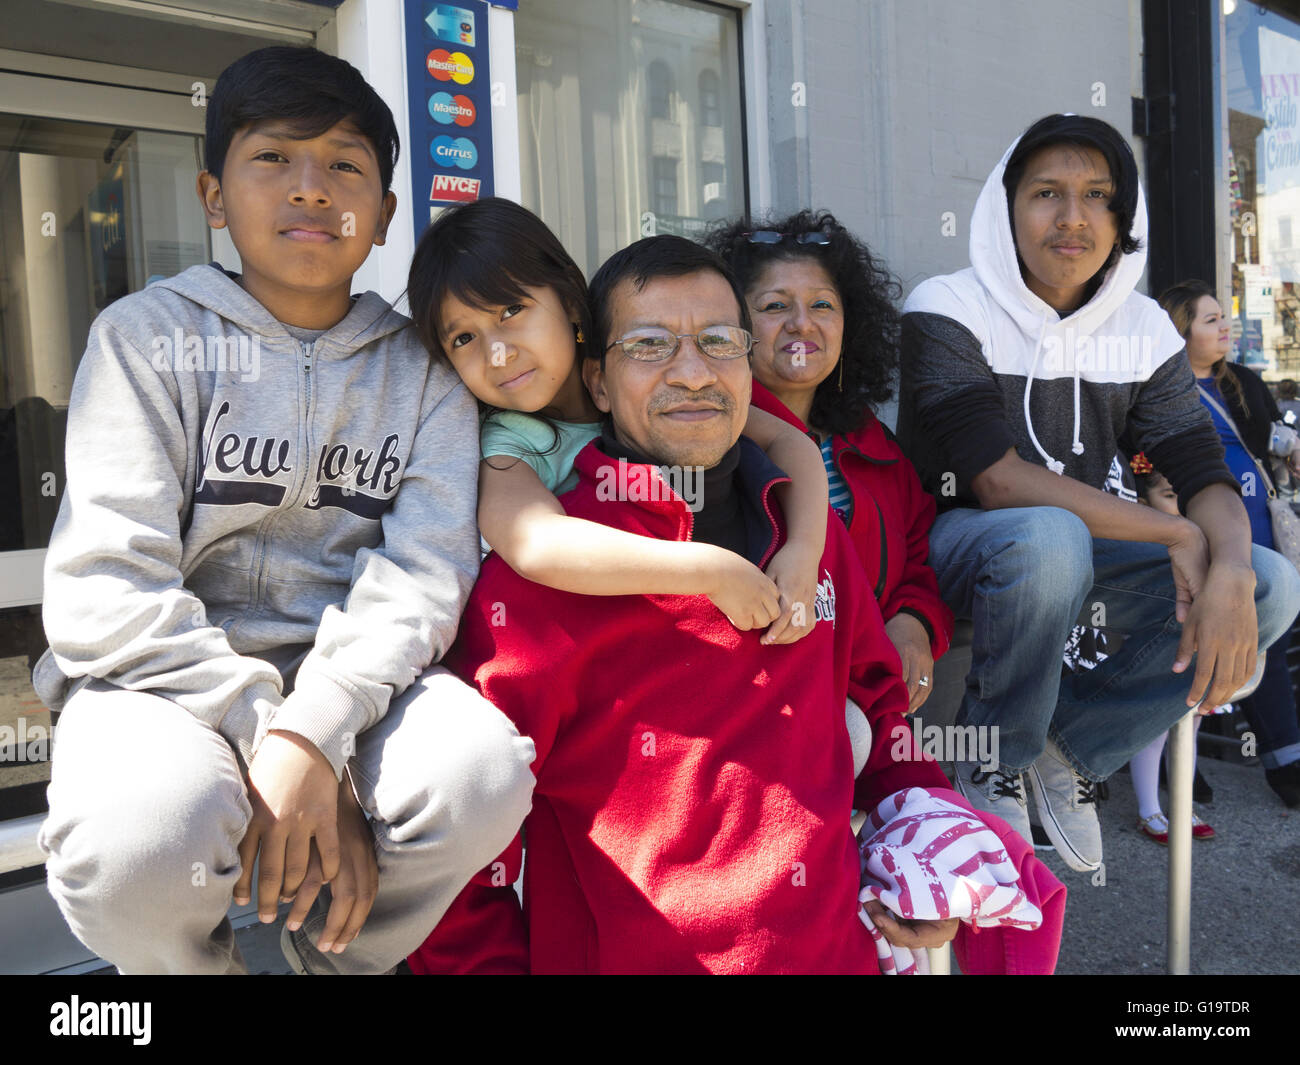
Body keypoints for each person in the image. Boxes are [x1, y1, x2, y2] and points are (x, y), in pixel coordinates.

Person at [406, 236, 1066, 975]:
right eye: (650, 345)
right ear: (596, 380)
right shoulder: (540, 582)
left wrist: (923, 844)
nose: (692, 373)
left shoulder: (806, 536)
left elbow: (879, 720)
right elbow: (459, 854)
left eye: (718, 341)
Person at [32, 46, 536, 975]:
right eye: (273, 158)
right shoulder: (147, 340)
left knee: (479, 773)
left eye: (344, 164)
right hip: (162, 687)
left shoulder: (425, 370)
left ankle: (336, 958)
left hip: (351, 679)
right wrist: (284, 738)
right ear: (213, 195)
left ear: (384, 215)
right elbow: (110, 585)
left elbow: (425, 572)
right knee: (137, 841)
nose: (311, 189)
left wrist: (325, 726)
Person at [897, 113, 1300, 873]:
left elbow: (1200, 467)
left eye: (1098, 196)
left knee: (1275, 585)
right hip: (951, 552)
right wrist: (1179, 537)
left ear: (1124, 216)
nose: (1073, 217)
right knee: (1046, 535)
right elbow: (995, 478)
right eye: (1047, 192)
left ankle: (1069, 750)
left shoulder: (1143, 326)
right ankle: (989, 757)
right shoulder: (946, 304)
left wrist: (1233, 568)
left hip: (1076, 557)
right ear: (1005, 206)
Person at [405, 197, 829, 643]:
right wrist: (705, 569)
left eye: (511, 311)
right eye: (464, 337)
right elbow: (536, 544)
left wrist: (803, 552)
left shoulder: (645, 368)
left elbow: (790, 443)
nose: (498, 352)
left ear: (569, 300)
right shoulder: (511, 443)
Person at [706, 210, 953, 711]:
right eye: (775, 305)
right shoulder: (708, 442)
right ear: (731, 325)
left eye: (822, 304)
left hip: (871, 700)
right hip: (763, 706)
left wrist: (914, 622)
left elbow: (919, 559)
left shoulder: (872, 444)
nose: (803, 323)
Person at [1158, 280, 1300, 807]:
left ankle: (1285, 760)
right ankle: (1178, 764)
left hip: (1257, 526)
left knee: (1268, 639)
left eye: (1225, 317)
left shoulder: (1241, 381)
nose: (1225, 327)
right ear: (1181, 330)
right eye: (1210, 319)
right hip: (1196, 533)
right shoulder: (1158, 390)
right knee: (1191, 644)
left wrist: (1291, 446)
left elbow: (1271, 437)